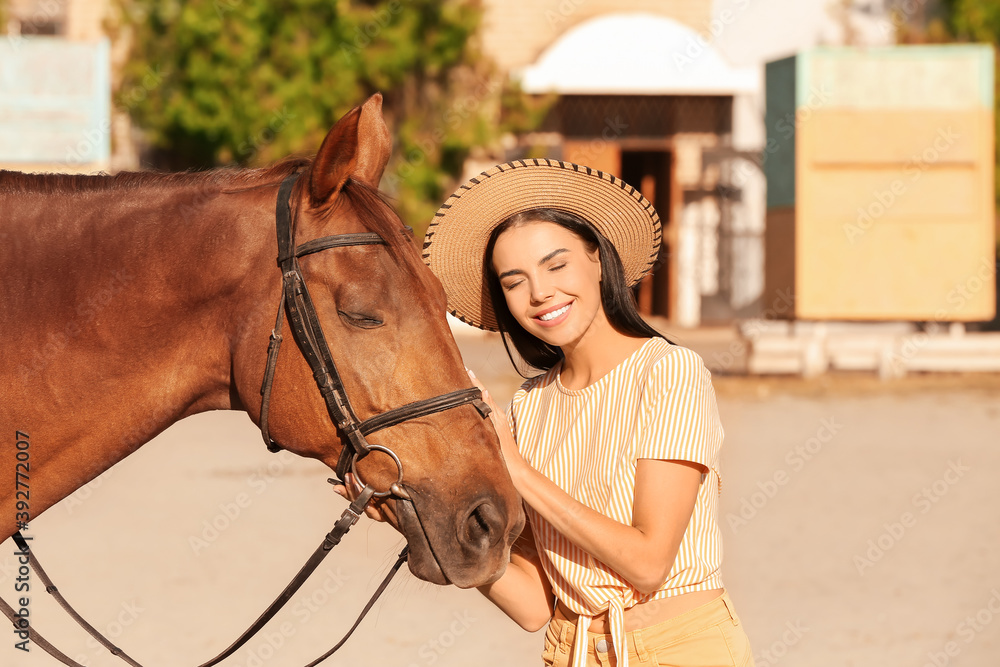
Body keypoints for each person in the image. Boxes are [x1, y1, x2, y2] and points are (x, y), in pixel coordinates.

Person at [341, 160, 754, 667]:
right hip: (570, 651)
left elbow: (648, 564)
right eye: (514, 282)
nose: (539, 294)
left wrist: (517, 470)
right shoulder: (529, 406)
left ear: (599, 259)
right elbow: (535, 604)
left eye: (556, 266)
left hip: (681, 650)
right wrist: (417, 520)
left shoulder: (669, 373)